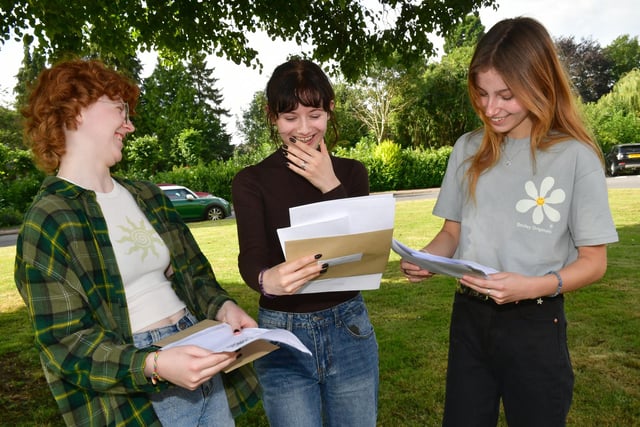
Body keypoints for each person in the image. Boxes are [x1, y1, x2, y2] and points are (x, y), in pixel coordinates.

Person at [14, 59, 260, 427]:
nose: (128, 125)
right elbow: (65, 342)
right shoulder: (49, 220)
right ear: (76, 111)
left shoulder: (146, 195)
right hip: (143, 386)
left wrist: (223, 307)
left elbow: (194, 273)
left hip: (199, 347)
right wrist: (153, 364)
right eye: (119, 110)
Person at [400, 17, 618, 427]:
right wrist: (425, 259)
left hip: (535, 322)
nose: (489, 108)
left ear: (540, 84)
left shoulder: (576, 157)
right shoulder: (467, 149)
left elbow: (594, 262)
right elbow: (452, 234)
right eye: (481, 94)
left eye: (506, 95)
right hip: (468, 319)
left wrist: (530, 287)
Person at [231, 58, 378, 426]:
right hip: (283, 332)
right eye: (289, 117)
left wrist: (329, 184)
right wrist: (267, 279)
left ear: (329, 109)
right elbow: (250, 256)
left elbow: (363, 250)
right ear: (271, 116)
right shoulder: (251, 181)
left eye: (314, 114)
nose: (304, 128)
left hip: (349, 326)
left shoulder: (351, 173)